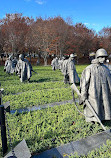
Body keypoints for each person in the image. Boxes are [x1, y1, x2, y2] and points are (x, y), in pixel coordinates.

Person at [79, 48, 111, 122]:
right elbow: (85, 83)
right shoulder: (89, 68)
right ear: (97, 57)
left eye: (105, 57)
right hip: (93, 92)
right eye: (101, 57)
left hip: (105, 91)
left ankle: (104, 118)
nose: (103, 59)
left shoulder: (105, 68)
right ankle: (92, 120)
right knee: (94, 105)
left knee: (105, 104)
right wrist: (83, 95)